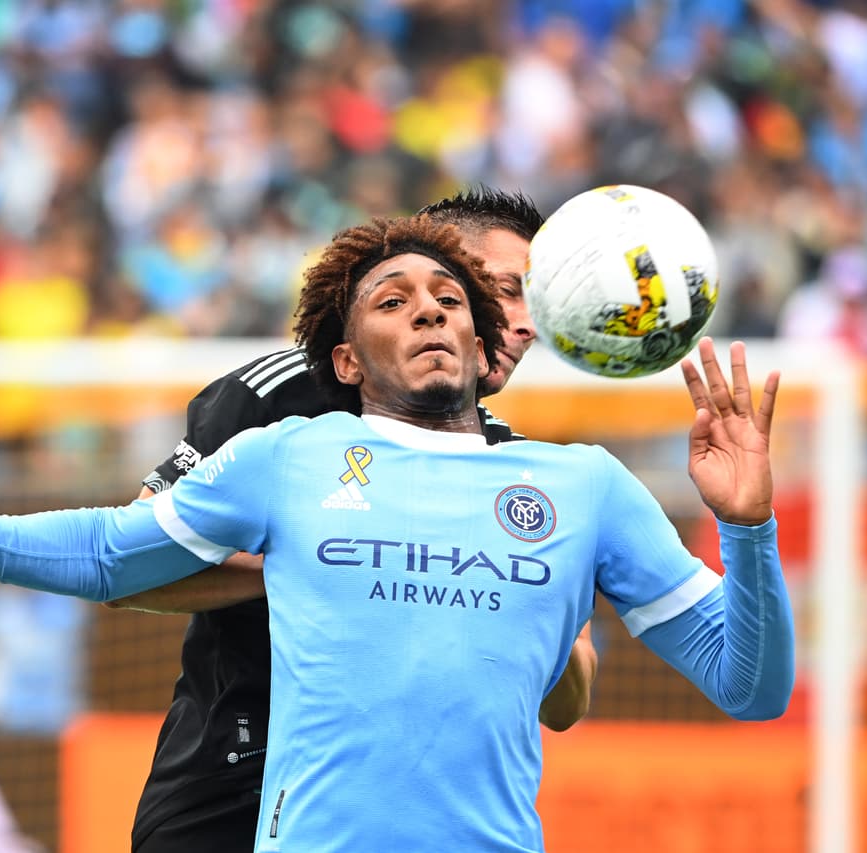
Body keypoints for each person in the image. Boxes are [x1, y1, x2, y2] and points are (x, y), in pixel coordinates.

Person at [0, 214, 794, 853]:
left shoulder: (582, 484)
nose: (429, 308)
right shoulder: (289, 454)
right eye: (393, 300)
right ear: (345, 355)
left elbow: (751, 686)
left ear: (484, 342)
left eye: (451, 301)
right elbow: (112, 549)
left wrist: (747, 527)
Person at [105, 187, 597, 852]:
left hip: (404, 812)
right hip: (231, 788)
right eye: (508, 289)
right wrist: (317, 557)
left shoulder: (519, 472)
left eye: (534, 302)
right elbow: (132, 567)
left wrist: (541, 603)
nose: (526, 322)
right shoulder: (281, 394)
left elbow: (566, 706)